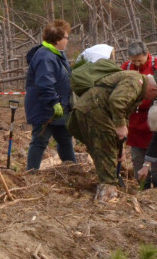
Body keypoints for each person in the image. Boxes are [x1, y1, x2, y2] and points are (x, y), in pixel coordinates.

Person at [67, 70, 157, 200]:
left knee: (107, 149)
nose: (151, 99)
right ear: (154, 88)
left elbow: (125, 114)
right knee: (106, 150)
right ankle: (108, 193)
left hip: (91, 111)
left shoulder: (137, 85)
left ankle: (108, 185)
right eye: (154, 95)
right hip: (94, 111)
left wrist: (121, 147)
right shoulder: (135, 82)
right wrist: (120, 126)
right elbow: (117, 101)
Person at [24, 20, 76, 170]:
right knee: (40, 140)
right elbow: (44, 83)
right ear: (58, 39)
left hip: (60, 106)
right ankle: (31, 173)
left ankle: (72, 170)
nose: (67, 41)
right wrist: (54, 102)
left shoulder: (57, 55)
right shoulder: (45, 57)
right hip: (46, 108)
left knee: (65, 139)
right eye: (66, 38)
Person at [121, 40, 156, 176]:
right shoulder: (126, 67)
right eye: (134, 60)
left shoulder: (155, 65)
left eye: (139, 60)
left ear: (146, 54)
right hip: (134, 121)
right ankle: (142, 185)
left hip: (153, 118)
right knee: (137, 158)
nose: (137, 64)